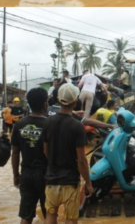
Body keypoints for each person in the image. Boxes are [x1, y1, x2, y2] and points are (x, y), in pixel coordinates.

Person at [43, 83, 92, 224]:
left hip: (51, 179)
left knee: (51, 214)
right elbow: (81, 160)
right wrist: (88, 183)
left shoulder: (48, 122)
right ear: (76, 102)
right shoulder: (77, 126)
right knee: (70, 219)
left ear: (58, 101)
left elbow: (45, 151)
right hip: (70, 180)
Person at [12, 88, 49, 224]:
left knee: (26, 216)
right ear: (45, 104)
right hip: (46, 175)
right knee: (50, 215)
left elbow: (15, 153)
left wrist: (16, 174)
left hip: (26, 174)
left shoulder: (19, 124)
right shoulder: (49, 124)